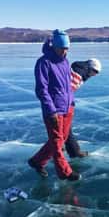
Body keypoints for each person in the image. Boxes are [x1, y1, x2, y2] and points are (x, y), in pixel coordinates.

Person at [28, 29, 80, 181]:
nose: (65, 51)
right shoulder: (44, 63)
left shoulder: (65, 61)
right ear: (54, 46)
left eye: (67, 48)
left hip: (67, 107)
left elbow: (67, 85)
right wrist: (51, 111)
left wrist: (71, 102)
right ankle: (65, 172)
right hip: (54, 111)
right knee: (57, 142)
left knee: (60, 139)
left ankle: (37, 161)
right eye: (62, 48)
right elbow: (41, 89)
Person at [65, 58, 102, 158]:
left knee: (64, 129)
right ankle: (74, 151)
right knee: (66, 128)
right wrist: (69, 102)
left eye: (97, 73)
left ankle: (64, 147)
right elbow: (68, 89)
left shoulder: (82, 72)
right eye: (95, 71)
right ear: (90, 68)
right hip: (64, 103)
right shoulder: (79, 73)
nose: (95, 74)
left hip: (65, 101)